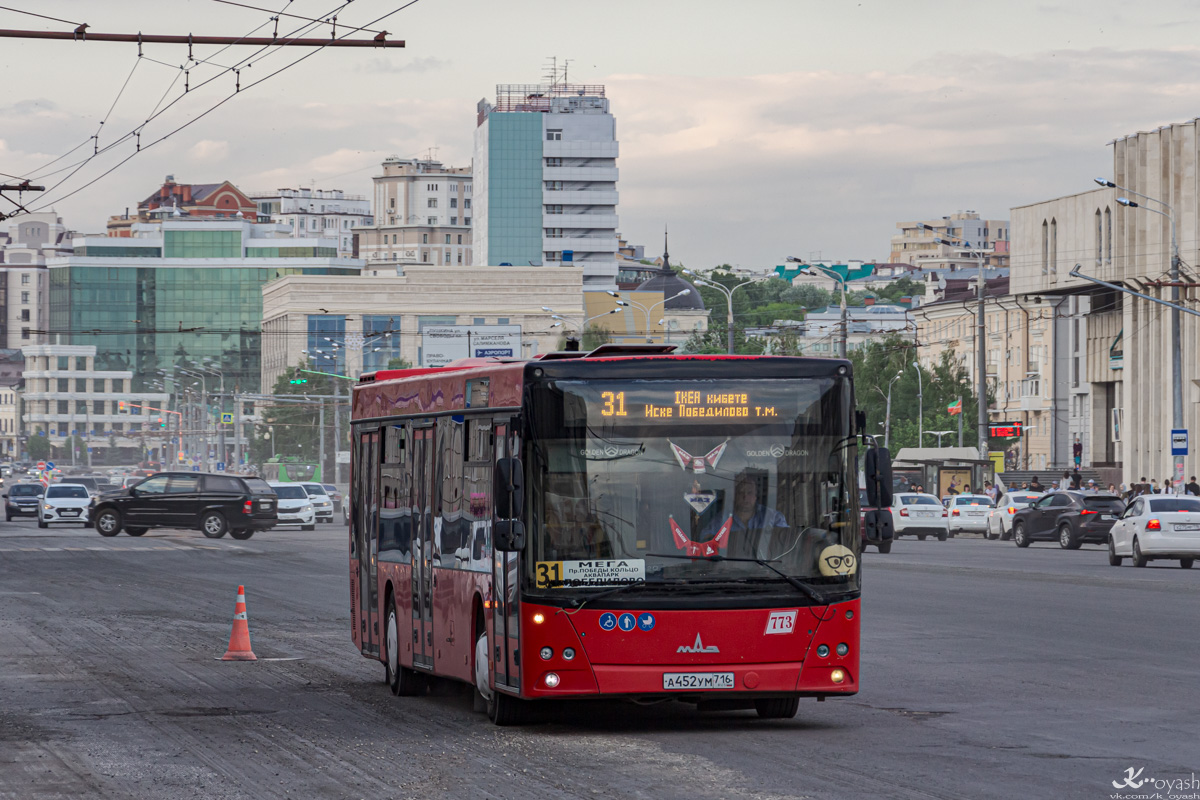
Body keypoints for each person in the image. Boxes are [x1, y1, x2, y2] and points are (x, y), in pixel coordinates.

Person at [717, 472, 788, 559]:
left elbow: (786, 543)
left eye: (749, 493)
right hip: (728, 569)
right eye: (741, 492)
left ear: (755, 496)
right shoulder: (721, 519)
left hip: (769, 569)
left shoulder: (775, 518)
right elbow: (705, 540)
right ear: (735, 496)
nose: (745, 497)